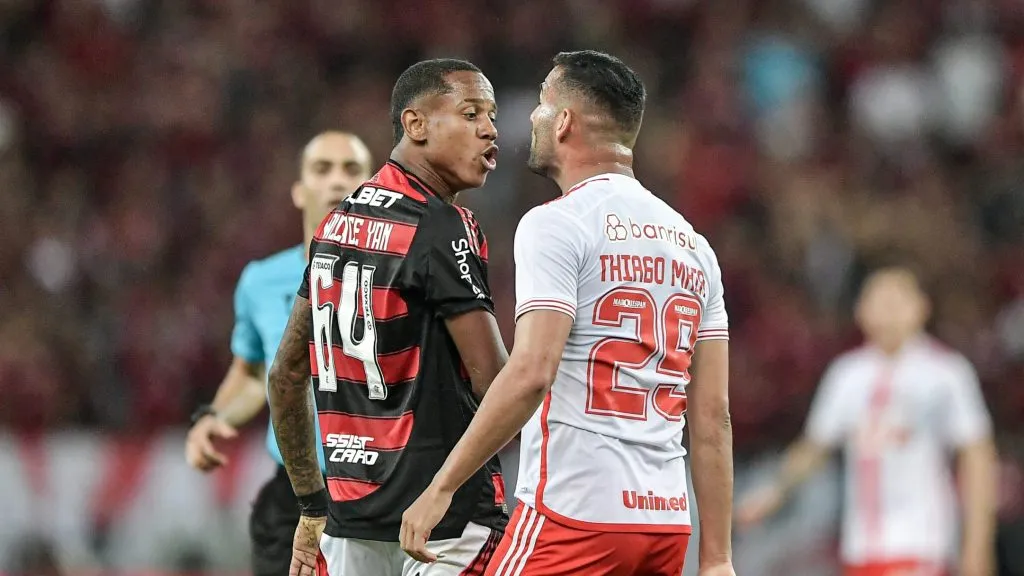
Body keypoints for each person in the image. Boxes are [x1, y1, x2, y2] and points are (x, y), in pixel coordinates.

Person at [400, 50, 736, 576]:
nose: (529, 118)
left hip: (575, 513)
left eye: (540, 104)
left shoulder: (557, 224)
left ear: (563, 122)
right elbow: (713, 416)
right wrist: (717, 559)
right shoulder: (694, 246)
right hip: (667, 521)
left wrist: (441, 487)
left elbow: (533, 371)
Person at [268, 58, 510, 576]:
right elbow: (498, 384)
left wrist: (312, 506)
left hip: (349, 524)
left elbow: (286, 375)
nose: (490, 130)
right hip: (445, 525)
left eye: (491, 116)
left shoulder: (335, 223)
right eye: (470, 114)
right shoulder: (442, 225)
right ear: (415, 124)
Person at [184, 131, 373, 576]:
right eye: (322, 169)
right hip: (292, 494)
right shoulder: (260, 280)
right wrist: (214, 417)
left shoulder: (404, 275)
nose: (336, 182)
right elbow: (253, 374)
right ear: (299, 189)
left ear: (372, 189)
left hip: (377, 489)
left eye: (351, 170)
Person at [736, 267, 998, 576]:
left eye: (897, 300)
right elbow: (815, 446)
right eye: (878, 300)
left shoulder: (946, 373)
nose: (888, 311)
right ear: (861, 311)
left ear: (921, 308)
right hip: (860, 548)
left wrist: (977, 545)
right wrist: (774, 491)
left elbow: (977, 457)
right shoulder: (847, 375)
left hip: (921, 544)